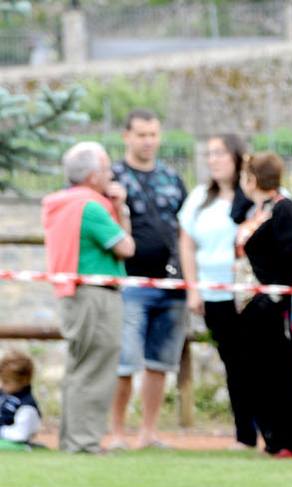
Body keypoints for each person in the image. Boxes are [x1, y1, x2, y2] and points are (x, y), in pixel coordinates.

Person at [42, 141, 135, 454]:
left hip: (72, 294)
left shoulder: (61, 203)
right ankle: (84, 443)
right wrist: (121, 208)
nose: (110, 175)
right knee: (96, 367)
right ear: (94, 175)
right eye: (106, 168)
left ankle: (72, 439)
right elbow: (126, 247)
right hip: (95, 296)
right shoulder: (91, 206)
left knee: (79, 367)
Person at [109, 108, 187, 450]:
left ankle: (148, 432)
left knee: (159, 363)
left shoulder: (172, 177)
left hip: (171, 284)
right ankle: (116, 433)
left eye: (153, 134)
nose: (147, 141)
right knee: (124, 361)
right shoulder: (112, 179)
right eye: (141, 134)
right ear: (127, 136)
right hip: (130, 283)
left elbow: (186, 226)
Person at [178, 134, 257, 451]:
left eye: (220, 153)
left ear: (237, 157)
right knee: (234, 363)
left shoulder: (253, 194)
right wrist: (193, 289)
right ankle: (244, 435)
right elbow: (186, 243)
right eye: (209, 154)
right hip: (214, 294)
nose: (213, 160)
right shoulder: (199, 197)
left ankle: (273, 431)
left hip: (251, 294)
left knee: (258, 361)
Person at [236, 152, 292, 458]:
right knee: (261, 375)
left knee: (283, 374)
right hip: (254, 309)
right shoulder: (258, 209)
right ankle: (273, 437)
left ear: (252, 179)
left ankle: (291, 441)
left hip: (276, 309)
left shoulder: (284, 209)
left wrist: (275, 295)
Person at [0, 351, 41, 448]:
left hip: (14, 444)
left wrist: (1, 431)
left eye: (6, 382)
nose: (2, 385)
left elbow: (20, 434)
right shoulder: (4, 394)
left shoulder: (27, 406)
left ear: (24, 381)